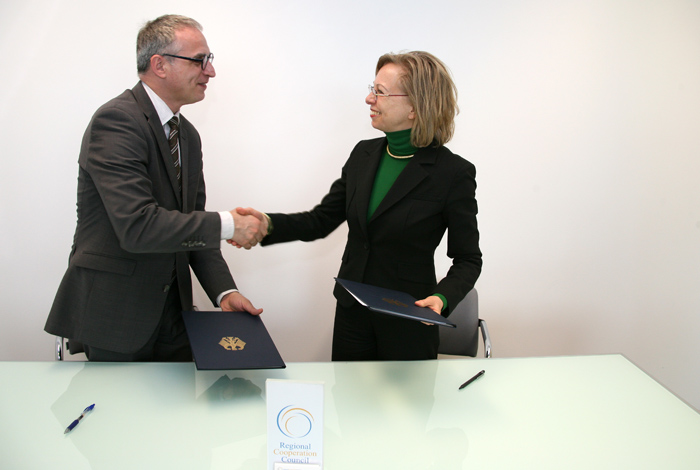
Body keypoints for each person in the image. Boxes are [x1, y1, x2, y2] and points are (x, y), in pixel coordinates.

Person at [45, 15, 267, 362]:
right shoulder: (116, 121)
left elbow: (191, 225)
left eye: (210, 60)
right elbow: (137, 226)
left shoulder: (188, 136)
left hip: (174, 316)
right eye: (200, 60)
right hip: (116, 316)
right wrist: (229, 225)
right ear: (159, 65)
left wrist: (224, 292)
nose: (210, 72)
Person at [238, 51, 482, 361]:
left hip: (409, 321)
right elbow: (321, 220)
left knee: (407, 411)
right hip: (352, 315)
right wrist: (266, 224)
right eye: (372, 88)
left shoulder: (453, 173)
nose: (369, 98)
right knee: (349, 407)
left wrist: (441, 298)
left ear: (415, 106)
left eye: (380, 92)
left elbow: (468, 259)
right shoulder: (362, 155)